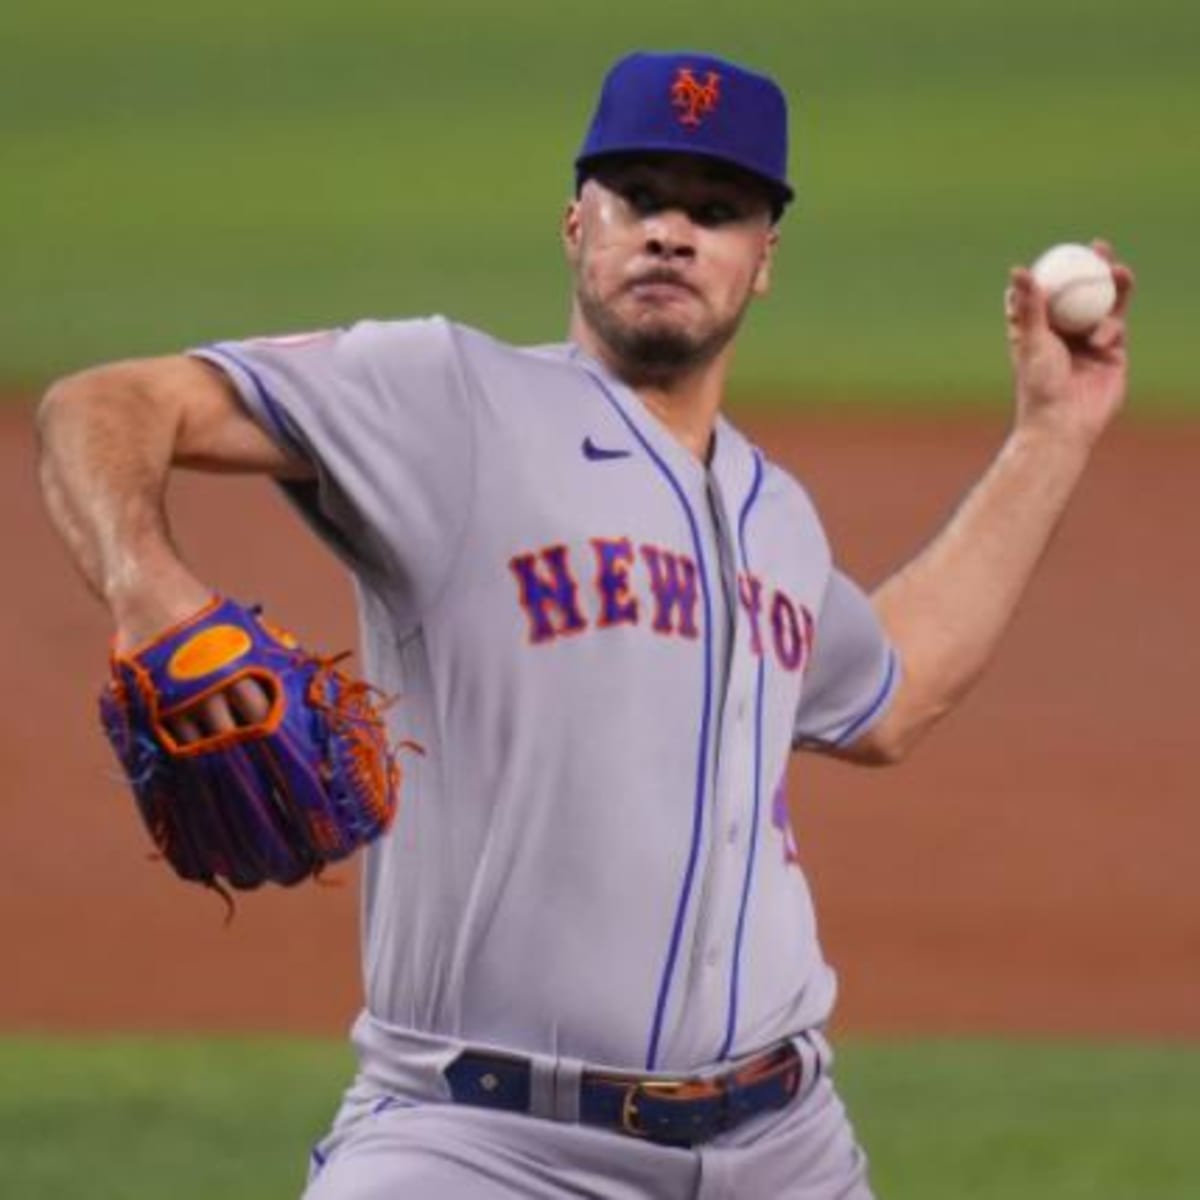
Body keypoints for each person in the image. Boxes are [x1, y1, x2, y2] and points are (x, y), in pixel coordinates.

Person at [37, 49, 1132, 1200]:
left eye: (716, 211)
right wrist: (151, 585)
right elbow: (103, 404)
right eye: (640, 198)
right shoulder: (446, 397)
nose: (670, 232)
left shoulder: (776, 514)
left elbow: (893, 693)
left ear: (764, 261)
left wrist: (1053, 433)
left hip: (785, 1147)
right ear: (576, 223)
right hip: (476, 1143)